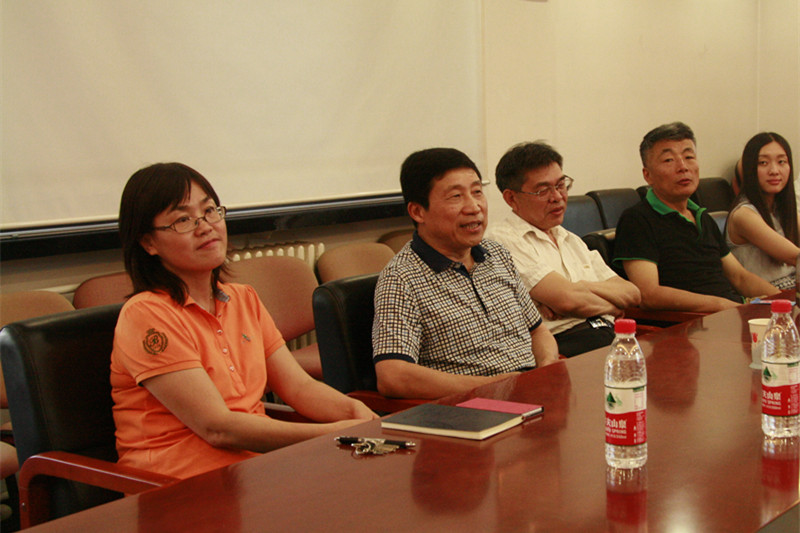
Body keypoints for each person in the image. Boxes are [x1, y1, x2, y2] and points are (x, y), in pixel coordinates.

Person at [111, 162, 376, 479]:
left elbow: (299, 387)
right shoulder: (147, 315)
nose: (205, 227)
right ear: (148, 243)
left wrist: (358, 413)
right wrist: (335, 435)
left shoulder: (242, 298)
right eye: (183, 220)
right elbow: (218, 428)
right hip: (175, 484)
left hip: (251, 471)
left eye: (210, 211)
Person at [372, 148, 559, 400]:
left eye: (477, 192)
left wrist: (546, 366)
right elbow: (393, 376)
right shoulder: (402, 279)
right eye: (456, 196)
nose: (474, 207)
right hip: (474, 406)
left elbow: (537, 331)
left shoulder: (496, 254)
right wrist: (492, 386)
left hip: (532, 391)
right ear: (418, 211)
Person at [488, 142, 641, 357]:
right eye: (543, 190)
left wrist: (579, 288)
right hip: (562, 346)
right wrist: (612, 306)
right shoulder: (503, 239)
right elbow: (568, 300)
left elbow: (632, 293)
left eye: (561, 185)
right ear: (511, 198)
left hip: (609, 335)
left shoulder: (570, 238)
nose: (558, 197)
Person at [614, 122, 780, 313]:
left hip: (731, 313)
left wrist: (783, 300)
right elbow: (649, 294)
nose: (683, 167)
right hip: (692, 323)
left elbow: (739, 277)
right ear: (647, 175)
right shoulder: (637, 219)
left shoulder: (702, 218)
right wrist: (723, 305)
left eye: (689, 157)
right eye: (668, 160)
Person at [725, 132, 798, 290]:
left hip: (792, 291)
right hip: (765, 297)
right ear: (750, 169)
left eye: (781, 161)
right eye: (763, 163)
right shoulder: (744, 214)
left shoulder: (782, 209)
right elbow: (795, 257)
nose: (774, 170)